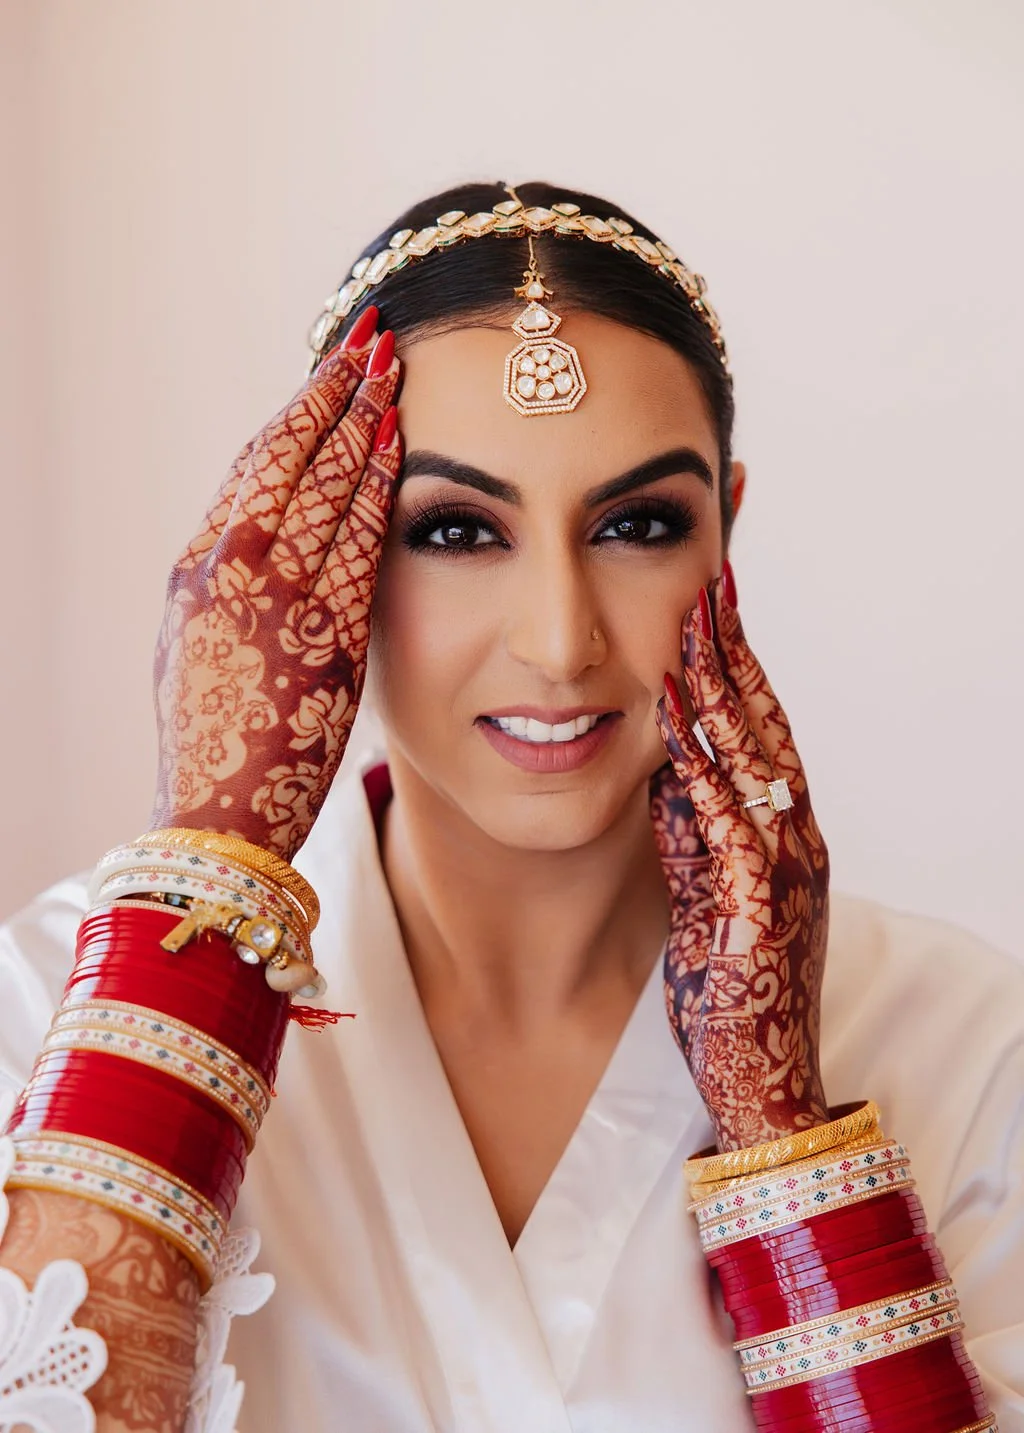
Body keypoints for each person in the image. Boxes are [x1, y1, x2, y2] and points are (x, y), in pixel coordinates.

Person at [0, 180, 1021, 1433]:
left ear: (727, 536)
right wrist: (215, 859)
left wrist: (785, 1131)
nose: (558, 638)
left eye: (638, 523)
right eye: (456, 530)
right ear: (333, 554)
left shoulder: (964, 1045)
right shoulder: (51, 1001)